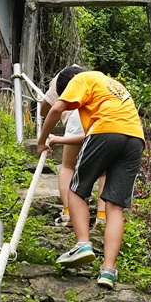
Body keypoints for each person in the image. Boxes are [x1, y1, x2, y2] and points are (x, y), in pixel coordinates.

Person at [35, 64, 145, 289]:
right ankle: (108, 270)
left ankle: (83, 244)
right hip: (134, 138)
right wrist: (58, 141)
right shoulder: (110, 85)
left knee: (75, 191)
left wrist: (41, 141)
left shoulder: (80, 77)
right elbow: (90, 136)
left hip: (105, 131)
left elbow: (55, 110)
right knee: (115, 207)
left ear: (72, 79)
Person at [42, 74, 97, 228]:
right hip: (104, 116)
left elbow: (44, 109)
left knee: (68, 166)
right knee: (105, 172)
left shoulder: (61, 78)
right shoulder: (96, 78)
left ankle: (69, 213)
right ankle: (102, 216)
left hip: (78, 115)